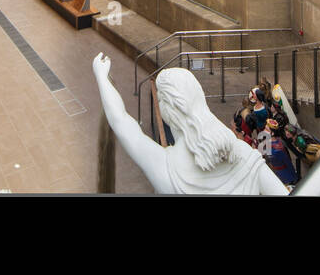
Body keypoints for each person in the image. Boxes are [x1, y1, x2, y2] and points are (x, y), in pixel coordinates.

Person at [92, 53, 288, 194]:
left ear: (167, 111)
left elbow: (120, 120)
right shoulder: (244, 156)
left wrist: (101, 77)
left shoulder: (166, 167)